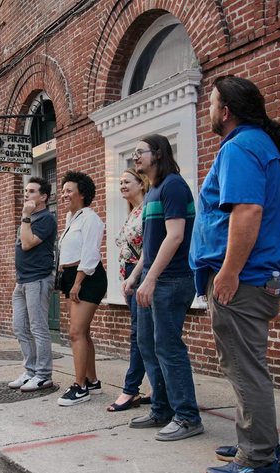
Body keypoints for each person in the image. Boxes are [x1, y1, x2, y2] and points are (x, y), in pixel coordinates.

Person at [191, 75, 280, 473]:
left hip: (242, 278)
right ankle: (256, 439)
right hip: (254, 276)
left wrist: (228, 273)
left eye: (211, 103)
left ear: (226, 110)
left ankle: (259, 458)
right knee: (243, 364)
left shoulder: (240, 146)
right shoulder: (257, 145)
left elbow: (247, 211)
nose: (208, 110)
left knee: (244, 367)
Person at [121, 134, 204, 441]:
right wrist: (136, 276)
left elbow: (176, 236)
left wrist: (152, 278)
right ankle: (162, 409)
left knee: (169, 348)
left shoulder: (173, 186)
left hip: (173, 280)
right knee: (148, 345)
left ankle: (188, 417)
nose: (134, 157)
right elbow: (152, 244)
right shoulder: (154, 189)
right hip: (153, 278)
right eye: (132, 153)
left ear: (157, 153)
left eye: (139, 152)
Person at [55, 171, 107, 407]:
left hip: (87, 276)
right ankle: (92, 380)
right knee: (82, 332)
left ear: (82, 193)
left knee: (75, 333)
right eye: (63, 190)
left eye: (69, 190)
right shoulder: (71, 219)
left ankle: (80, 387)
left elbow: (90, 253)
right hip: (71, 276)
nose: (64, 194)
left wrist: (77, 282)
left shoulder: (90, 218)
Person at [8, 177, 57, 392]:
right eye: (26, 191)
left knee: (38, 328)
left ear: (43, 196)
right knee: (20, 328)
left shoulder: (46, 218)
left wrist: (26, 216)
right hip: (22, 281)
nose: (26, 194)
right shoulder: (29, 218)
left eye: (32, 191)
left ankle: (44, 374)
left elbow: (27, 244)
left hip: (38, 279)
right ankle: (30, 371)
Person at [108, 168, 151, 412]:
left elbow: (149, 249)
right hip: (130, 278)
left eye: (127, 181)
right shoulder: (132, 212)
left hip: (141, 276)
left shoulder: (146, 210)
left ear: (141, 183)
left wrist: (134, 279)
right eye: (120, 182)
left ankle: (130, 388)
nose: (122, 185)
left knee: (139, 335)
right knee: (144, 334)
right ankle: (155, 386)